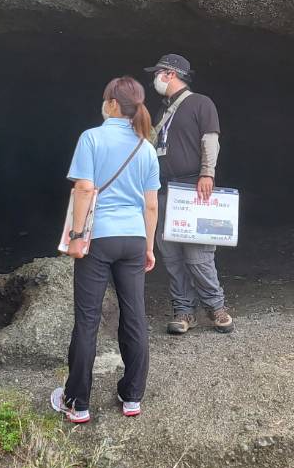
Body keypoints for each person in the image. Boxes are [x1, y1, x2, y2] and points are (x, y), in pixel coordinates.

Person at [51, 76, 160, 425]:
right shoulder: (145, 147)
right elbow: (151, 205)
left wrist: (77, 235)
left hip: (98, 239)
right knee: (135, 316)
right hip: (134, 239)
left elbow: (84, 189)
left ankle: (77, 402)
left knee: (87, 319)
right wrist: (148, 245)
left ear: (112, 103)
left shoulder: (92, 138)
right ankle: (132, 396)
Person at [144, 53, 231, 336]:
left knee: (198, 255)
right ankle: (183, 311)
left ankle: (216, 307)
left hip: (193, 189)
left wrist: (207, 173)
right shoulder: (162, 111)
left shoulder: (201, 103)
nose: (154, 79)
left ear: (170, 74)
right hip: (164, 189)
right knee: (171, 256)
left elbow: (210, 140)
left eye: (158, 73)